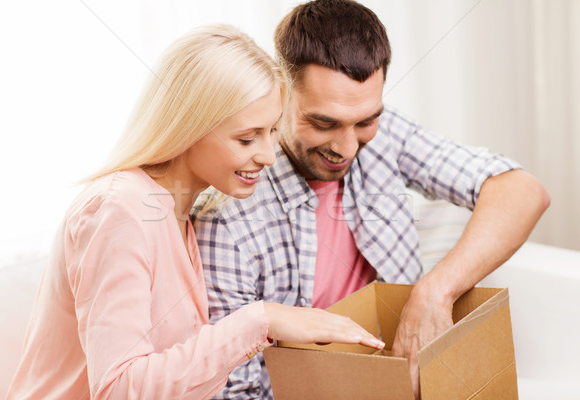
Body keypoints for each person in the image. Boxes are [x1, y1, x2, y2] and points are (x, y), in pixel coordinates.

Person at [5, 24, 386, 400]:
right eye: (246, 137)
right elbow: (118, 389)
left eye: (272, 131)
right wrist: (260, 319)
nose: (268, 156)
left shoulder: (179, 213)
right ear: (189, 126)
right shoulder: (121, 209)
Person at [193, 2, 551, 399]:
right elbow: (235, 392)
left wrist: (436, 290)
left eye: (365, 121)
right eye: (323, 123)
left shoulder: (386, 132)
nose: (347, 148)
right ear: (280, 93)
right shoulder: (227, 221)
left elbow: (522, 191)